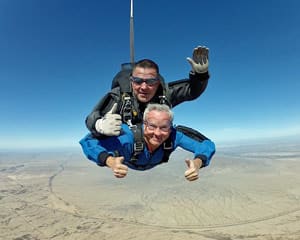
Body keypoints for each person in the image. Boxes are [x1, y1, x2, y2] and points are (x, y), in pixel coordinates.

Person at [85, 46, 210, 137]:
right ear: (131, 81)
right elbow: (92, 117)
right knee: (90, 140)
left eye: (150, 82)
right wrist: (99, 125)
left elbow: (191, 91)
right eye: (138, 81)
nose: (144, 87)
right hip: (126, 150)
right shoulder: (119, 96)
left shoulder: (164, 94)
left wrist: (200, 75)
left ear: (157, 82)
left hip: (155, 149)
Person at [80, 103, 215, 181]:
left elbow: (206, 144)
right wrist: (109, 161)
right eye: (151, 126)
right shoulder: (127, 136)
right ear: (144, 124)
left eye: (164, 127)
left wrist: (198, 163)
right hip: (131, 162)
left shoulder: (175, 135)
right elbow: (88, 142)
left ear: (170, 127)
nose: (157, 133)